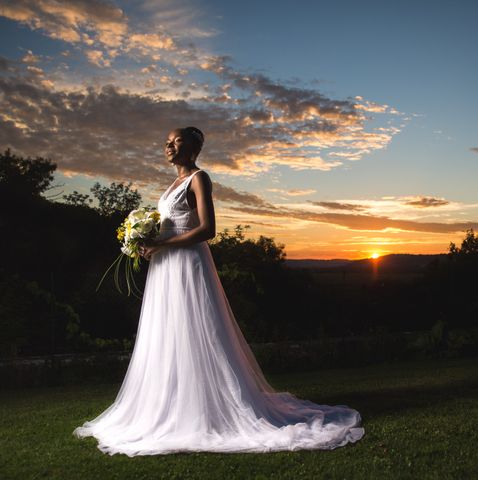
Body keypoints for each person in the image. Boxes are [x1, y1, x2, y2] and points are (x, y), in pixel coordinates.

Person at [72, 126, 365, 456]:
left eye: (176, 141)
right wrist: (146, 242)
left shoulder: (199, 178)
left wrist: (161, 242)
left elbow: (206, 229)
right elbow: (171, 223)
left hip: (187, 264)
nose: (168, 145)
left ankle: (208, 406)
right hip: (166, 266)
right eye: (167, 140)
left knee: (197, 327)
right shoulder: (171, 184)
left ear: (193, 149)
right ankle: (172, 402)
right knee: (168, 330)